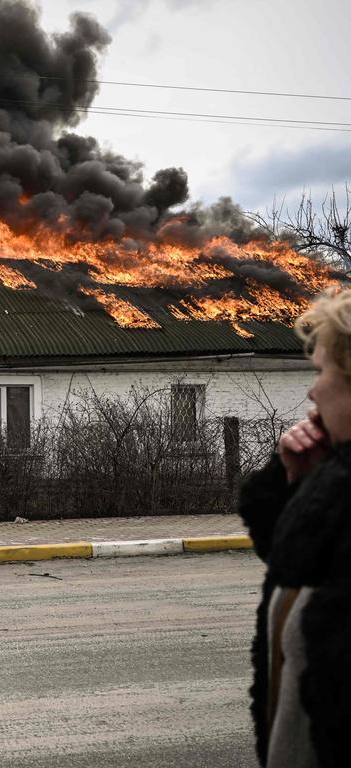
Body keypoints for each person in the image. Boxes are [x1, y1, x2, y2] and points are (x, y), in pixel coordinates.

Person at [239, 288, 351, 767]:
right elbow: (293, 560)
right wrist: (298, 482)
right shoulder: (338, 492)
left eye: (322, 371)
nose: (312, 390)